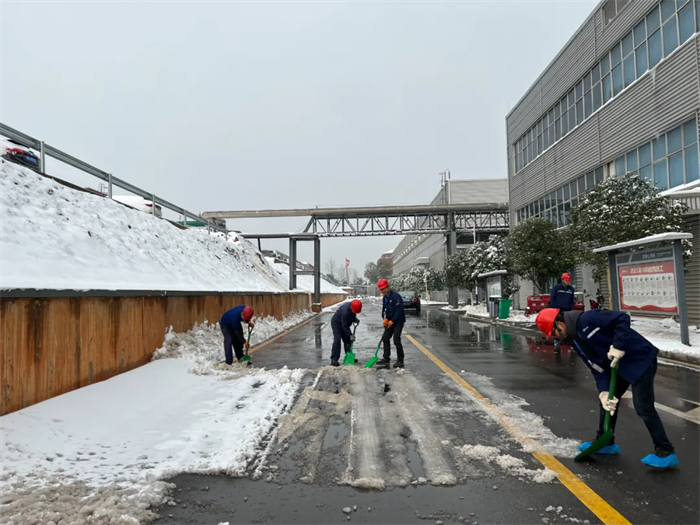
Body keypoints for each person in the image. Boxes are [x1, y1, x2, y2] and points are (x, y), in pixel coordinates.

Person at [535, 307, 678, 469]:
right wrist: (604, 390)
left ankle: (665, 450)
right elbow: (596, 366)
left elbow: (622, 319)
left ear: (560, 323)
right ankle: (605, 441)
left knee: (643, 407)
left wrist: (618, 346)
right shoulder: (576, 341)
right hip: (619, 366)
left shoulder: (588, 319)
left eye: (554, 333)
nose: (555, 338)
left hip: (640, 360)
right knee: (608, 402)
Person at [377, 278, 405, 368]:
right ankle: (386, 358)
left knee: (396, 339)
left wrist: (393, 321)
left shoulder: (396, 296)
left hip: (398, 321)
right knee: (385, 338)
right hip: (389, 321)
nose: (383, 291)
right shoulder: (385, 298)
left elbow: (399, 311)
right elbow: (384, 310)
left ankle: (400, 360)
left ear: (388, 287)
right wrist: (385, 319)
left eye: (384, 289)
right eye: (381, 289)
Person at [330, 299, 362, 366]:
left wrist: (354, 319)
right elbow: (344, 325)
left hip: (345, 324)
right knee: (337, 339)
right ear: (351, 307)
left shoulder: (354, 305)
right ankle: (334, 359)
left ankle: (349, 357)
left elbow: (352, 314)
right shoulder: (345, 311)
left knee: (347, 341)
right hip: (337, 324)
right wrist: (350, 335)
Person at [549, 272, 575, 353]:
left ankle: (571, 345)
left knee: (570, 328)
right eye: (567, 280)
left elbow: (572, 300)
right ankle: (557, 344)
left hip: (568, 311)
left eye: (569, 280)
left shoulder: (571, 289)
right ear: (562, 280)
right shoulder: (556, 288)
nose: (568, 282)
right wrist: (556, 308)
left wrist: (571, 307)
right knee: (558, 328)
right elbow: (552, 299)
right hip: (558, 311)